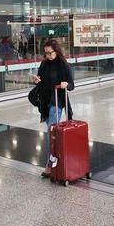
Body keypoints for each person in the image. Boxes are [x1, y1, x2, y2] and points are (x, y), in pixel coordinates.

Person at [32, 39, 74, 178]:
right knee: (52, 134)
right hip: (46, 102)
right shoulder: (44, 64)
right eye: (46, 54)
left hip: (57, 102)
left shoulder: (64, 66)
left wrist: (66, 84)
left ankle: (50, 165)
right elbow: (41, 80)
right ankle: (55, 161)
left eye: (50, 53)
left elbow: (72, 84)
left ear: (56, 51)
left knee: (51, 133)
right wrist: (37, 81)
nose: (47, 56)